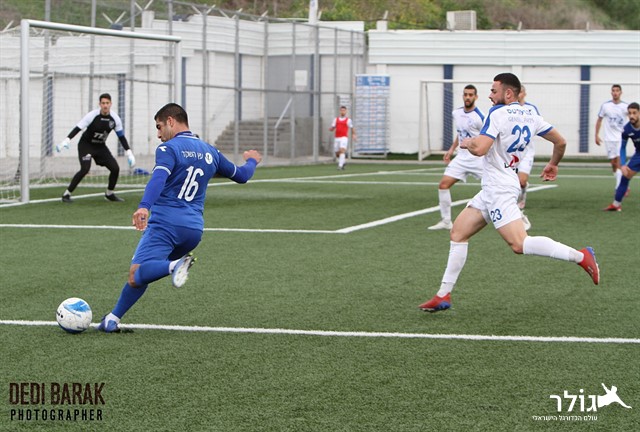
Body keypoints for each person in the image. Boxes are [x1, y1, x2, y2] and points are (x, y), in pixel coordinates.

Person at [418, 73, 600, 313]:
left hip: (499, 189)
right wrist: (553, 164)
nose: (490, 96)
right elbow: (561, 142)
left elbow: (480, 149)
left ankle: (581, 256)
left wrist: (468, 142)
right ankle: (443, 295)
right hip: (497, 185)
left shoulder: (497, 113)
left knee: (519, 244)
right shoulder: (531, 114)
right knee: (458, 233)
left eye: (493, 91)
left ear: (508, 93)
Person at [97, 103, 262, 332]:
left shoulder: (168, 149)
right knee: (145, 271)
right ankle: (112, 320)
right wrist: (252, 160)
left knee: (137, 273)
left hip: (166, 225)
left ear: (171, 121)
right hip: (193, 231)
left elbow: (158, 178)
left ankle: (176, 265)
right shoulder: (210, 151)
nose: (158, 134)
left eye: (159, 126)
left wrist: (144, 206)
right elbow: (242, 175)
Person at [56, 93, 136, 203]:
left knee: (115, 168)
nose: (105, 105)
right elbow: (78, 128)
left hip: (100, 147)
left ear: (111, 104)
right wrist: (66, 140)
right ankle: (66, 194)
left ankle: (109, 194)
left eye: (107, 103)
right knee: (85, 169)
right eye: (103, 103)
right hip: (86, 145)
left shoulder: (115, 119)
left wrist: (129, 153)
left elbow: (121, 137)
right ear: (99, 104)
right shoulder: (92, 115)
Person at [428, 85, 485, 230]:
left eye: (471, 95)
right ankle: (446, 221)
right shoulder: (457, 113)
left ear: (476, 97)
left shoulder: (480, 117)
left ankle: (517, 216)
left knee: (496, 186)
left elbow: (486, 138)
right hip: (461, 158)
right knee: (443, 185)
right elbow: (460, 134)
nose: (468, 97)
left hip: (477, 159)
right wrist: (451, 149)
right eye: (465, 94)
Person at [603, 102, 640, 211]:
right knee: (625, 176)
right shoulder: (626, 129)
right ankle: (616, 205)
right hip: (638, 155)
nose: (632, 116)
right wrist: (623, 164)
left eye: (634, 113)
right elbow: (622, 147)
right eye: (629, 113)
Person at [516, 84, 541, 231]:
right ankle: (514, 209)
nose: (518, 94)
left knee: (522, 181)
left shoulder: (531, 109)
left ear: (524, 93)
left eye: (521, 92)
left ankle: (523, 193)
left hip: (526, 151)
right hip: (512, 152)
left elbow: (538, 126)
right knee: (512, 181)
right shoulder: (509, 109)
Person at [595, 85, 629, 190]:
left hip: (620, 138)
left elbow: (632, 118)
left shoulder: (625, 106)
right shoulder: (606, 106)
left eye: (617, 91)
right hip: (609, 139)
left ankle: (619, 187)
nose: (615, 92)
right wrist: (596, 135)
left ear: (621, 92)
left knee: (619, 162)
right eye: (613, 91)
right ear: (611, 92)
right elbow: (599, 120)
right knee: (613, 164)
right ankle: (622, 183)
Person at [329, 106, 357, 170]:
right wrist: (331, 129)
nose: (342, 112)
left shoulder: (348, 120)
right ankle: (343, 162)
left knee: (342, 150)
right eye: (341, 110)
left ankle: (340, 166)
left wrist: (354, 134)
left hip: (344, 137)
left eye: (344, 110)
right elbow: (333, 127)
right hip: (337, 138)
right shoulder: (336, 119)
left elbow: (352, 127)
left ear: (346, 111)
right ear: (340, 111)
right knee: (337, 153)